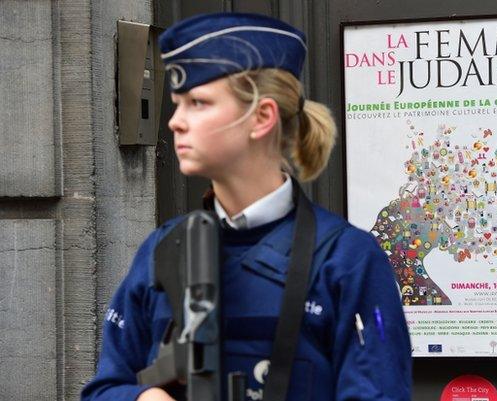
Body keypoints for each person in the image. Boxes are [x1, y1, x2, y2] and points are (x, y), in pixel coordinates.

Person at [81, 12, 412, 401]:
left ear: (261, 117)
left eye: (198, 103)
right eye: (178, 104)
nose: (176, 122)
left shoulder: (347, 261)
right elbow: (104, 388)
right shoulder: (161, 251)